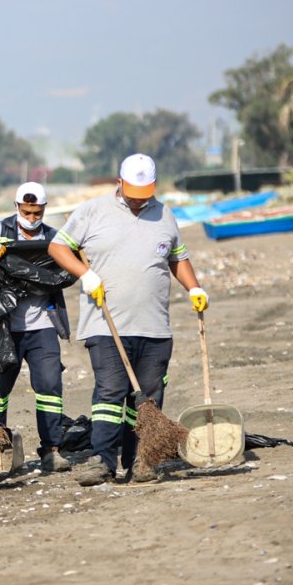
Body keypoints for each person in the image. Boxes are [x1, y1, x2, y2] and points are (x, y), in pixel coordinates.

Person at [48, 154, 209, 485]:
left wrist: (194, 287)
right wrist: (86, 274)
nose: (140, 200)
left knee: (148, 398)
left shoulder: (165, 214)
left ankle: (142, 461)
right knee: (110, 392)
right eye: (134, 192)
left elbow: (178, 257)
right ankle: (103, 461)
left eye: (145, 193)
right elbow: (58, 248)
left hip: (155, 326)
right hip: (105, 323)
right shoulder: (92, 212)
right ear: (119, 183)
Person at [0, 181, 77, 472]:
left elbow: (65, 271)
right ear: (16, 207)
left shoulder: (54, 238)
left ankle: (52, 449)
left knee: (49, 387)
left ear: (44, 209)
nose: (32, 219)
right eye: (26, 212)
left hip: (42, 326)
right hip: (5, 326)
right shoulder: (0, 231)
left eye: (37, 213)